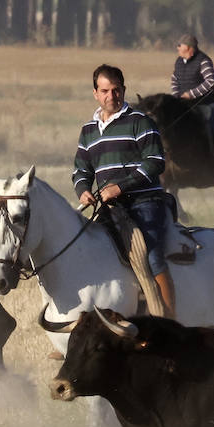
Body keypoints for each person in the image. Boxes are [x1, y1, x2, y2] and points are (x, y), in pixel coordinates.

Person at [74, 64, 176, 319]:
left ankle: (169, 323)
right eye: (105, 91)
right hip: (109, 207)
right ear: (96, 93)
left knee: (151, 257)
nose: (112, 96)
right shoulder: (88, 131)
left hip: (145, 201)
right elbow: (80, 170)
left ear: (124, 90)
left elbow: (155, 162)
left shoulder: (140, 122)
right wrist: (84, 190)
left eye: (116, 90)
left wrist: (120, 187)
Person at [170, 33, 214, 167]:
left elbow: (211, 82)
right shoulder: (179, 61)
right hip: (184, 104)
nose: (177, 48)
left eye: (179, 45)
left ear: (189, 48)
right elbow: (174, 79)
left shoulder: (203, 61)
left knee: (211, 124)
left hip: (206, 103)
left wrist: (191, 94)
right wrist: (176, 96)